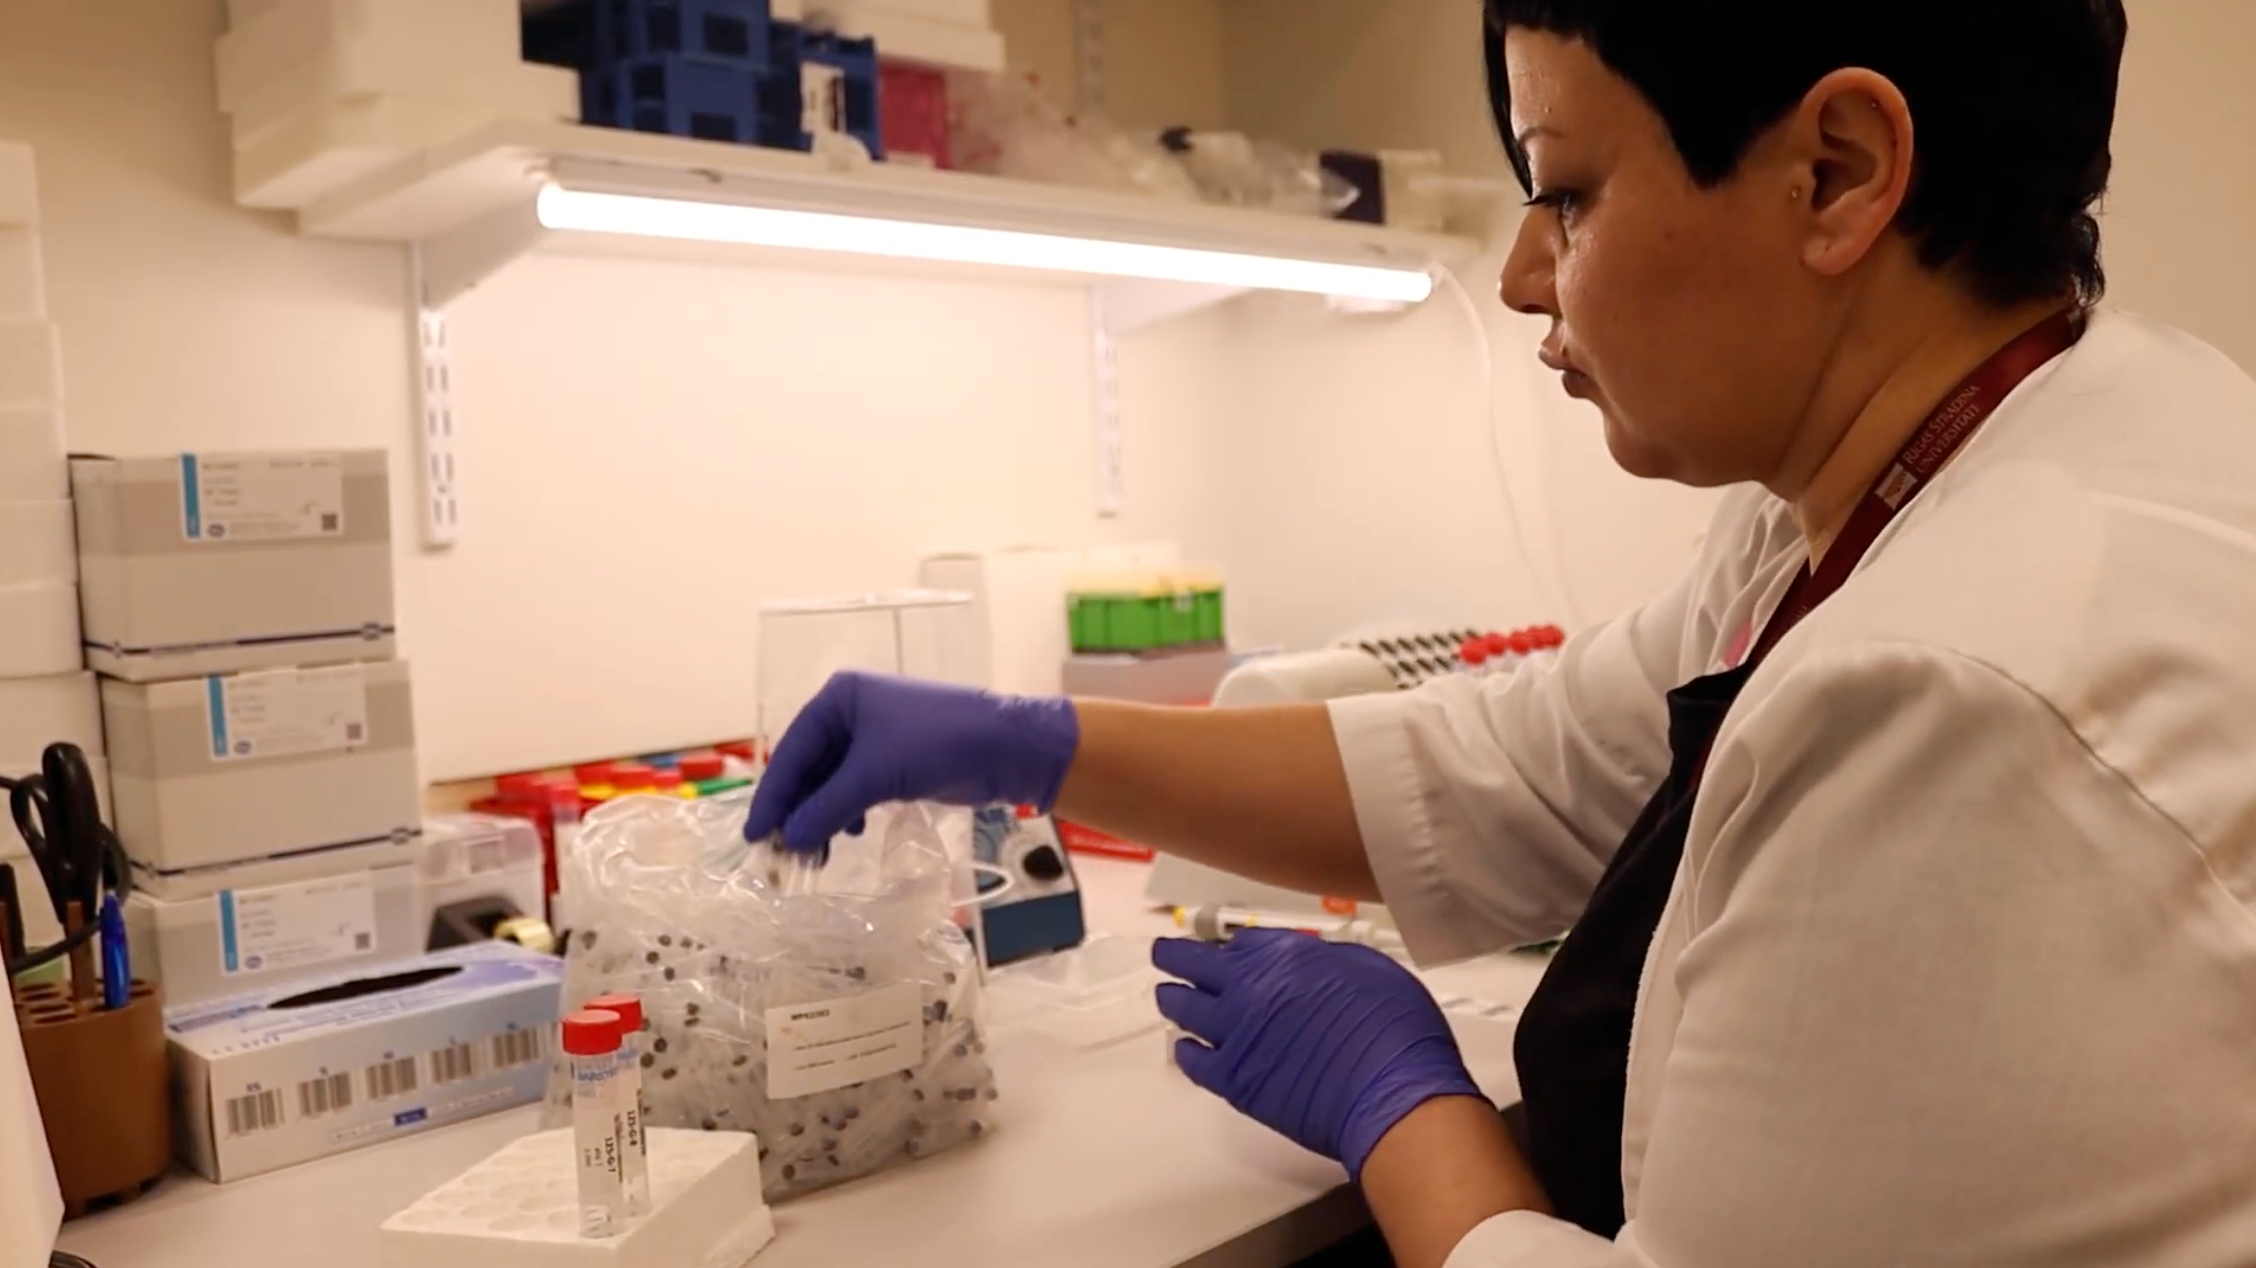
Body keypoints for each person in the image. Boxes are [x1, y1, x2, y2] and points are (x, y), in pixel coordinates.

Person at [748, 1, 2256, 1263]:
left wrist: (1406, 1116)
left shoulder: (1960, 706)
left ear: (1840, 174)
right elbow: (1512, 771)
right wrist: (1031, 743)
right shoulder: (1998, 445)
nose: (1526, 271)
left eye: (1569, 189)